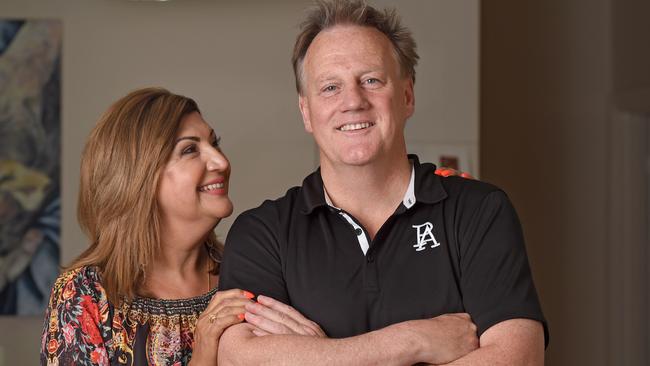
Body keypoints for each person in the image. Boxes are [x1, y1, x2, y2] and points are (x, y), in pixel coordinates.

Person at [217, 0, 548, 365]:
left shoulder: (479, 211)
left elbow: (518, 359)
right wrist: (412, 340)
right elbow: (241, 357)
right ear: (306, 112)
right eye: (330, 87)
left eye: (371, 80)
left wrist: (320, 356)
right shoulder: (262, 234)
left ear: (407, 96)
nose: (353, 101)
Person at [39, 88, 325, 365]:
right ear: (138, 176)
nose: (222, 162)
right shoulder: (85, 295)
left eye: (215, 143)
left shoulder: (254, 273)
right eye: (190, 150)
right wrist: (204, 350)